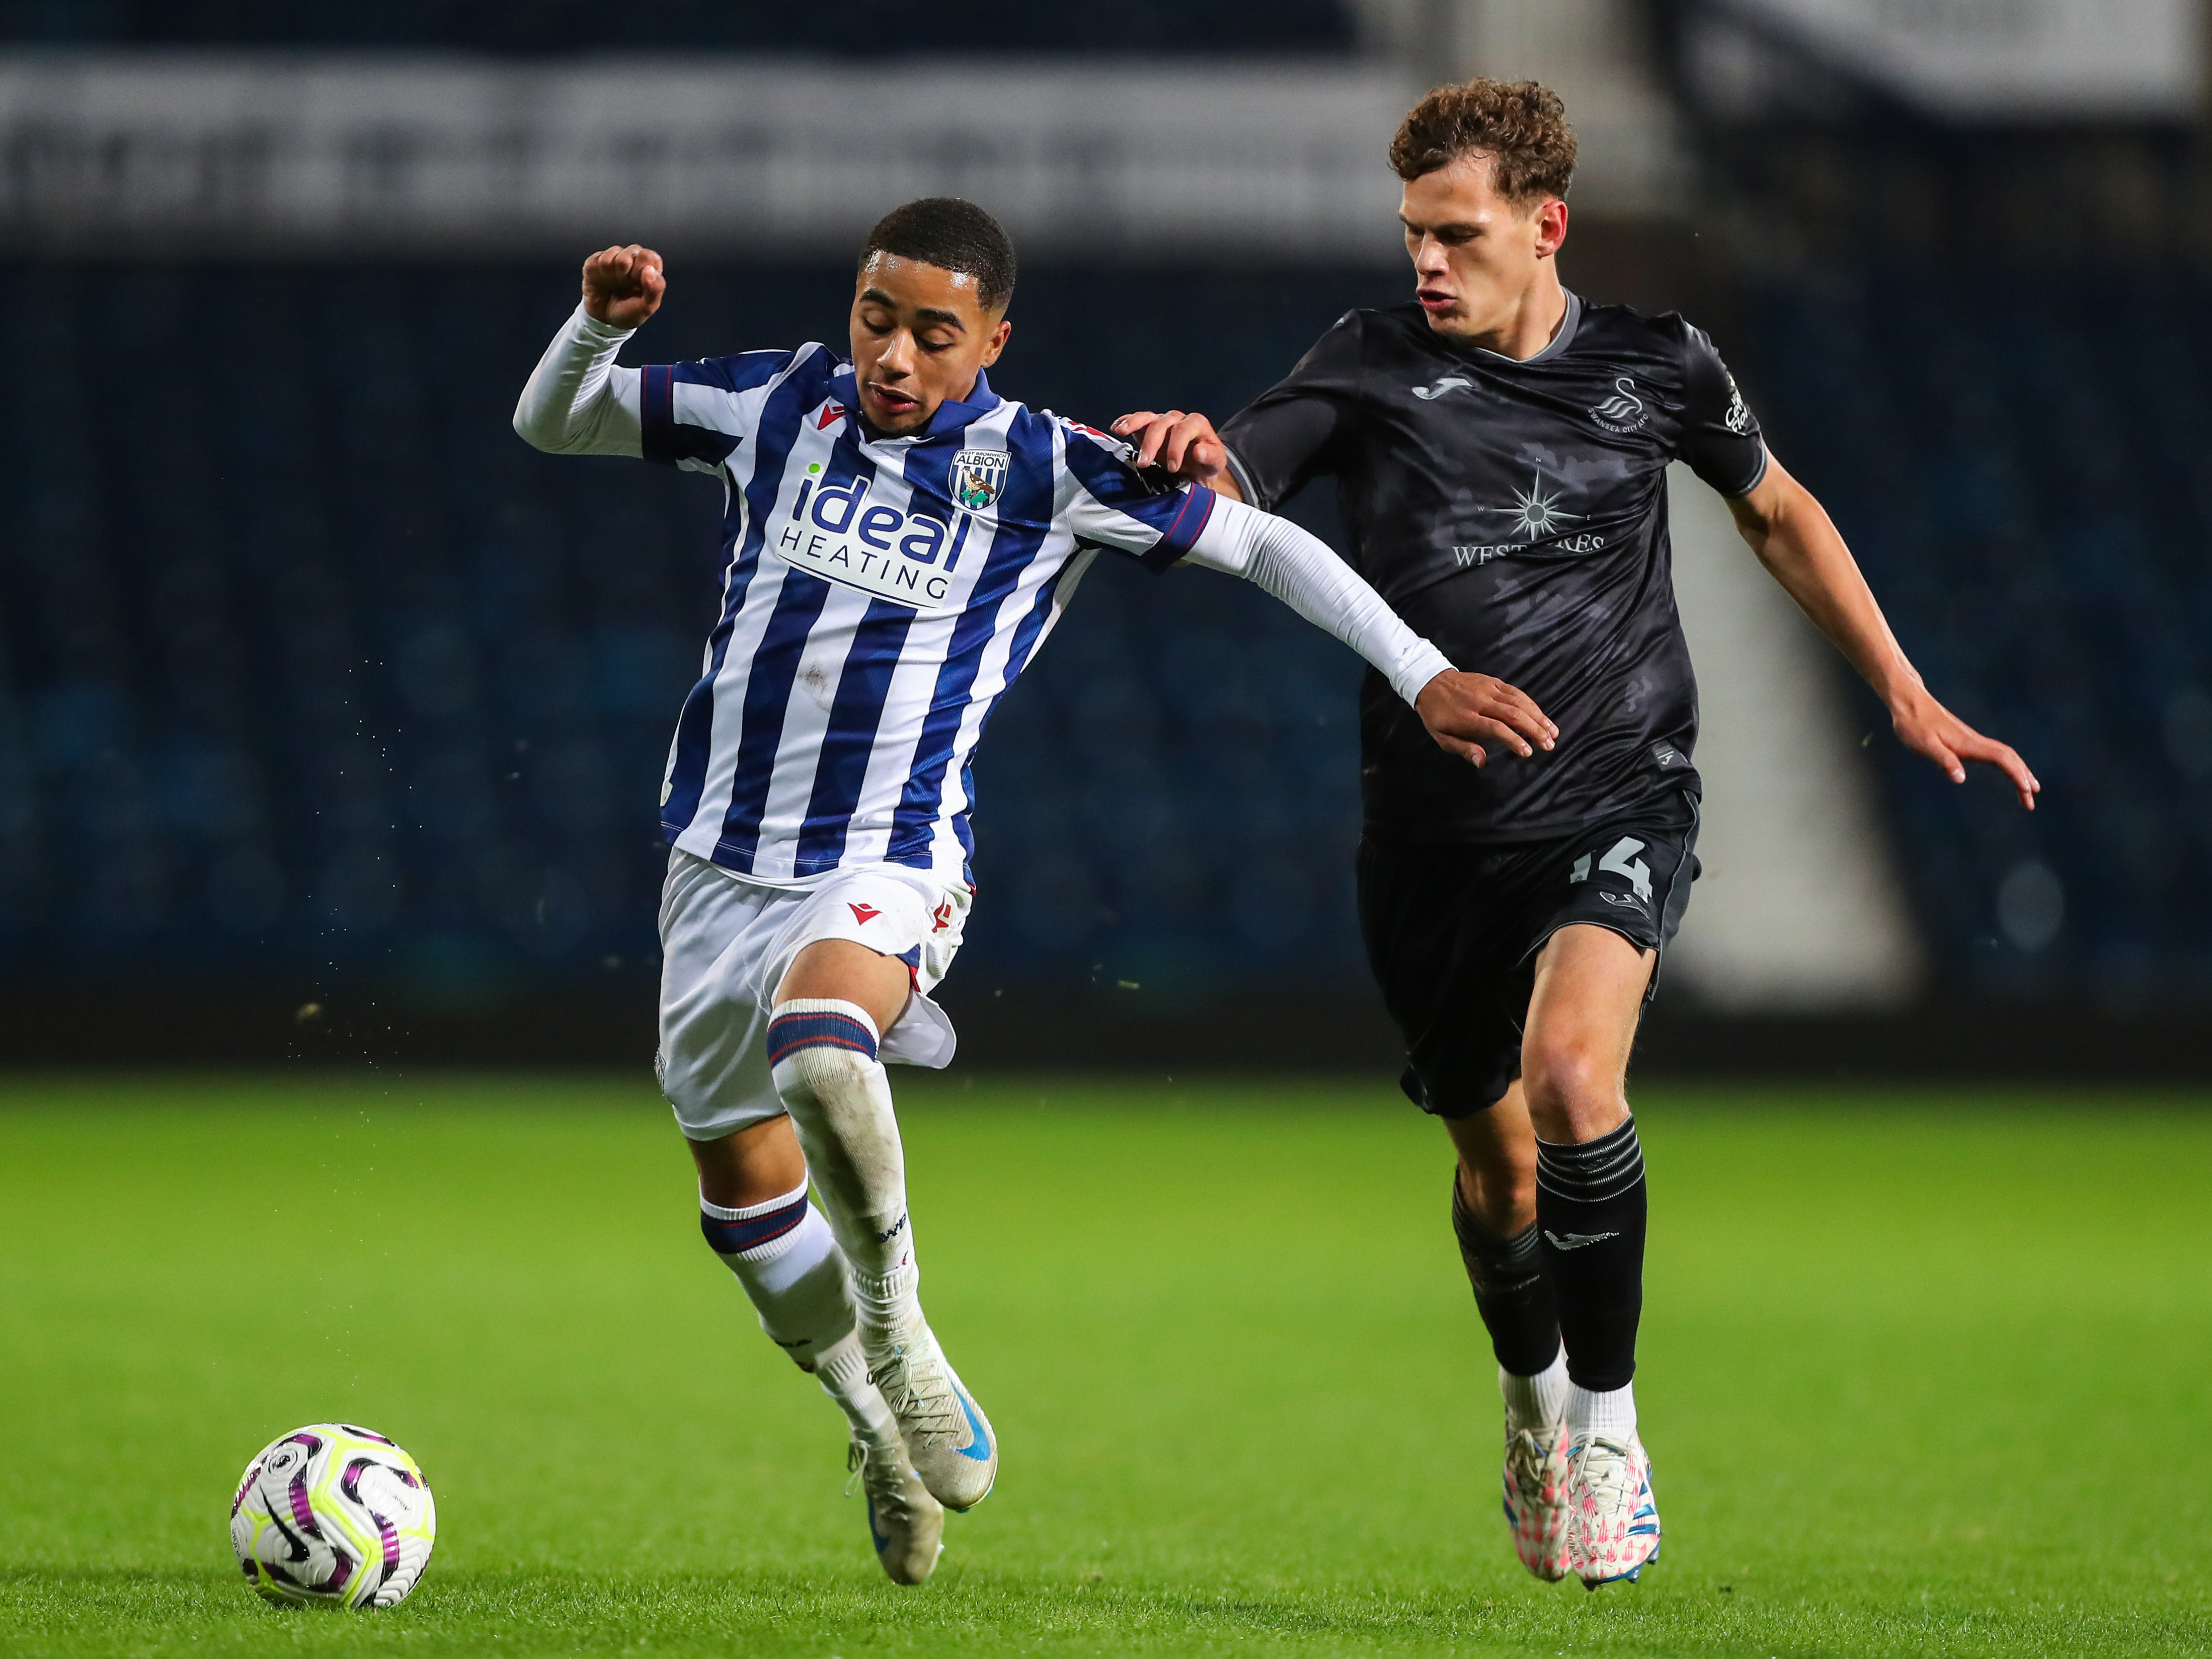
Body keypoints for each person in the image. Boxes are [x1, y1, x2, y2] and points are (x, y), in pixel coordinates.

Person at [512, 197, 1540, 1585]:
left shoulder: (1046, 465)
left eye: (935, 333)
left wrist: (1420, 672)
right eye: (878, 318)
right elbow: (552, 423)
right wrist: (598, 327)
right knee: (744, 1203)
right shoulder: (776, 399)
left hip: (888, 851)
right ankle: (877, 1421)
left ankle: (902, 1330)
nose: (895, 354)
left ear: (991, 339)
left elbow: (1267, 546)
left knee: (822, 1052)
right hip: (711, 867)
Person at [1114, 81, 2036, 1590]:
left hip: (1618, 791)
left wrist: (1904, 688)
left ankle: (1606, 1432)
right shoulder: (1365, 362)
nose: (1425, 260)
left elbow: (1777, 510)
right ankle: (1534, 1398)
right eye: (1411, 231)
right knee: (1495, 1175)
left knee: (1569, 1076)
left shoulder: (1656, 363)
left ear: (1543, 226)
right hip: (1427, 835)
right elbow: (1237, 466)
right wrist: (1181, 444)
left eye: (1455, 233)